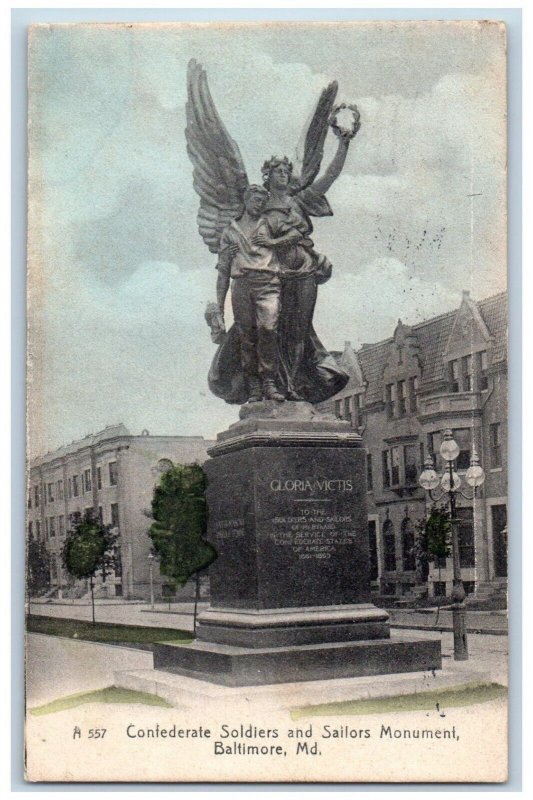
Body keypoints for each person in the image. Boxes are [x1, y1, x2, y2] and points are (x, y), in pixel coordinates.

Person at [251, 146, 351, 402]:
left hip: (305, 272)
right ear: (268, 176)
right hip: (275, 275)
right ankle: (271, 384)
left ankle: (293, 385)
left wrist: (344, 143)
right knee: (272, 330)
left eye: (286, 170)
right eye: (278, 171)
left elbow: (330, 176)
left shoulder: (299, 202)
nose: (284, 174)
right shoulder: (259, 208)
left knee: (300, 331)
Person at [215, 185, 285, 402]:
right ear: (246, 200)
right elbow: (223, 272)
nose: (259, 204)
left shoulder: (270, 224)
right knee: (247, 337)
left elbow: (297, 233)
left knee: (268, 328)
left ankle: (270, 381)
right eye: (256, 200)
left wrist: (275, 243)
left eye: (263, 201)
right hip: (242, 285)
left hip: (268, 283)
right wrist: (219, 308)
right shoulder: (230, 231)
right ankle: (254, 385)